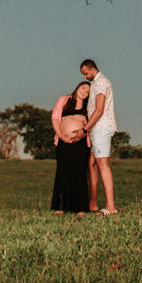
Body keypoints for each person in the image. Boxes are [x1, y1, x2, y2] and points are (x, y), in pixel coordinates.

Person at [80, 58, 118, 215]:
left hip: (101, 127)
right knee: (92, 164)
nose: (84, 77)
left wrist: (85, 129)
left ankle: (111, 206)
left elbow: (99, 109)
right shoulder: (95, 83)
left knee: (103, 164)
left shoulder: (102, 81)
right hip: (96, 129)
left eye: (85, 73)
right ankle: (93, 203)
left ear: (93, 69)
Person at [49, 80, 92, 214]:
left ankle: (81, 208)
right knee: (63, 172)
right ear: (78, 87)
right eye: (83, 88)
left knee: (79, 173)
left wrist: (82, 132)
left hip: (81, 144)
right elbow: (55, 117)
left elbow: (92, 122)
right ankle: (60, 207)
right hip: (63, 141)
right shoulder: (64, 100)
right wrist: (60, 135)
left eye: (88, 92)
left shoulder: (89, 105)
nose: (84, 92)